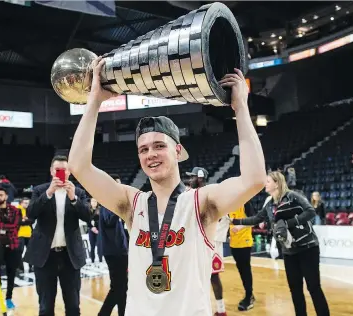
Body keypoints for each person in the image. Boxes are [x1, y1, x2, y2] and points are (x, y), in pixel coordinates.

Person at [68, 56, 266, 316]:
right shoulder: (132, 202)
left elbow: (255, 179)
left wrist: (240, 108)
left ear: (178, 150)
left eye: (159, 146)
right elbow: (79, 166)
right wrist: (94, 101)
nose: (151, 154)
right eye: (144, 149)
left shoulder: (201, 202)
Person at [231, 171, 330, 316]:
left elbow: (310, 212)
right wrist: (236, 222)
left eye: (268, 181)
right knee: (295, 290)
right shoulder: (270, 204)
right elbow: (256, 219)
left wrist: (288, 223)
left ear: (277, 183)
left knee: (313, 287)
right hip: (289, 252)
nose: (265, 184)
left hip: (308, 248)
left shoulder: (293, 196)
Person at [24, 155, 91, 316]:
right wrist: (48, 193)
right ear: (51, 171)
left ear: (69, 172)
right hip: (45, 257)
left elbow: (88, 216)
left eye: (64, 170)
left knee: (74, 306)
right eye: (57, 170)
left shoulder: (78, 192)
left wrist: (74, 199)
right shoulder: (40, 190)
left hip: (70, 257)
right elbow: (31, 213)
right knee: (46, 307)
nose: (61, 173)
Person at [186, 167, 228, 316]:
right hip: (195, 243)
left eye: (192, 177)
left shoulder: (212, 195)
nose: (189, 179)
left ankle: (221, 309)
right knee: (196, 276)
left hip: (211, 242)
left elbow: (224, 217)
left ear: (200, 178)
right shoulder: (190, 194)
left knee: (213, 276)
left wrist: (215, 238)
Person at [98, 174, 129, 316]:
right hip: (113, 251)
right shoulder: (107, 201)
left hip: (121, 249)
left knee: (123, 286)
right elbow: (109, 221)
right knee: (117, 287)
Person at [228, 201, 256, 311]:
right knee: (241, 271)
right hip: (233, 243)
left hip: (245, 242)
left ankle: (249, 296)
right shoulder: (228, 205)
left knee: (245, 270)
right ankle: (249, 294)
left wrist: (240, 227)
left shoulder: (245, 203)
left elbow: (254, 220)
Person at [17, 197, 33, 271]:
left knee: (30, 250)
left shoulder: (28, 210)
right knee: (20, 251)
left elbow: (31, 220)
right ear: (21, 203)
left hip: (28, 233)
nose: (27, 204)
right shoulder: (17, 210)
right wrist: (25, 220)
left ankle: (31, 266)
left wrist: (25, 220)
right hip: (20, 233)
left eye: (28, 203)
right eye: (25, 203)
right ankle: (20, 267)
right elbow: (19, 221)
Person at [87, 198, 103, 264]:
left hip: (98, 230)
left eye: (95, 201)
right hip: (91, 230)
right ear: (90, 202)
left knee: (99, 246)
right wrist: (91, 227)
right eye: (93, 201)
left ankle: (100, 259)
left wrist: (98, 229)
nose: (94, 203)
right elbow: (87, 220)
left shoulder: (100, 210)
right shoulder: (87, 210)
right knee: (92, 245)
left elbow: (101, 220)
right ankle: (92, 260)